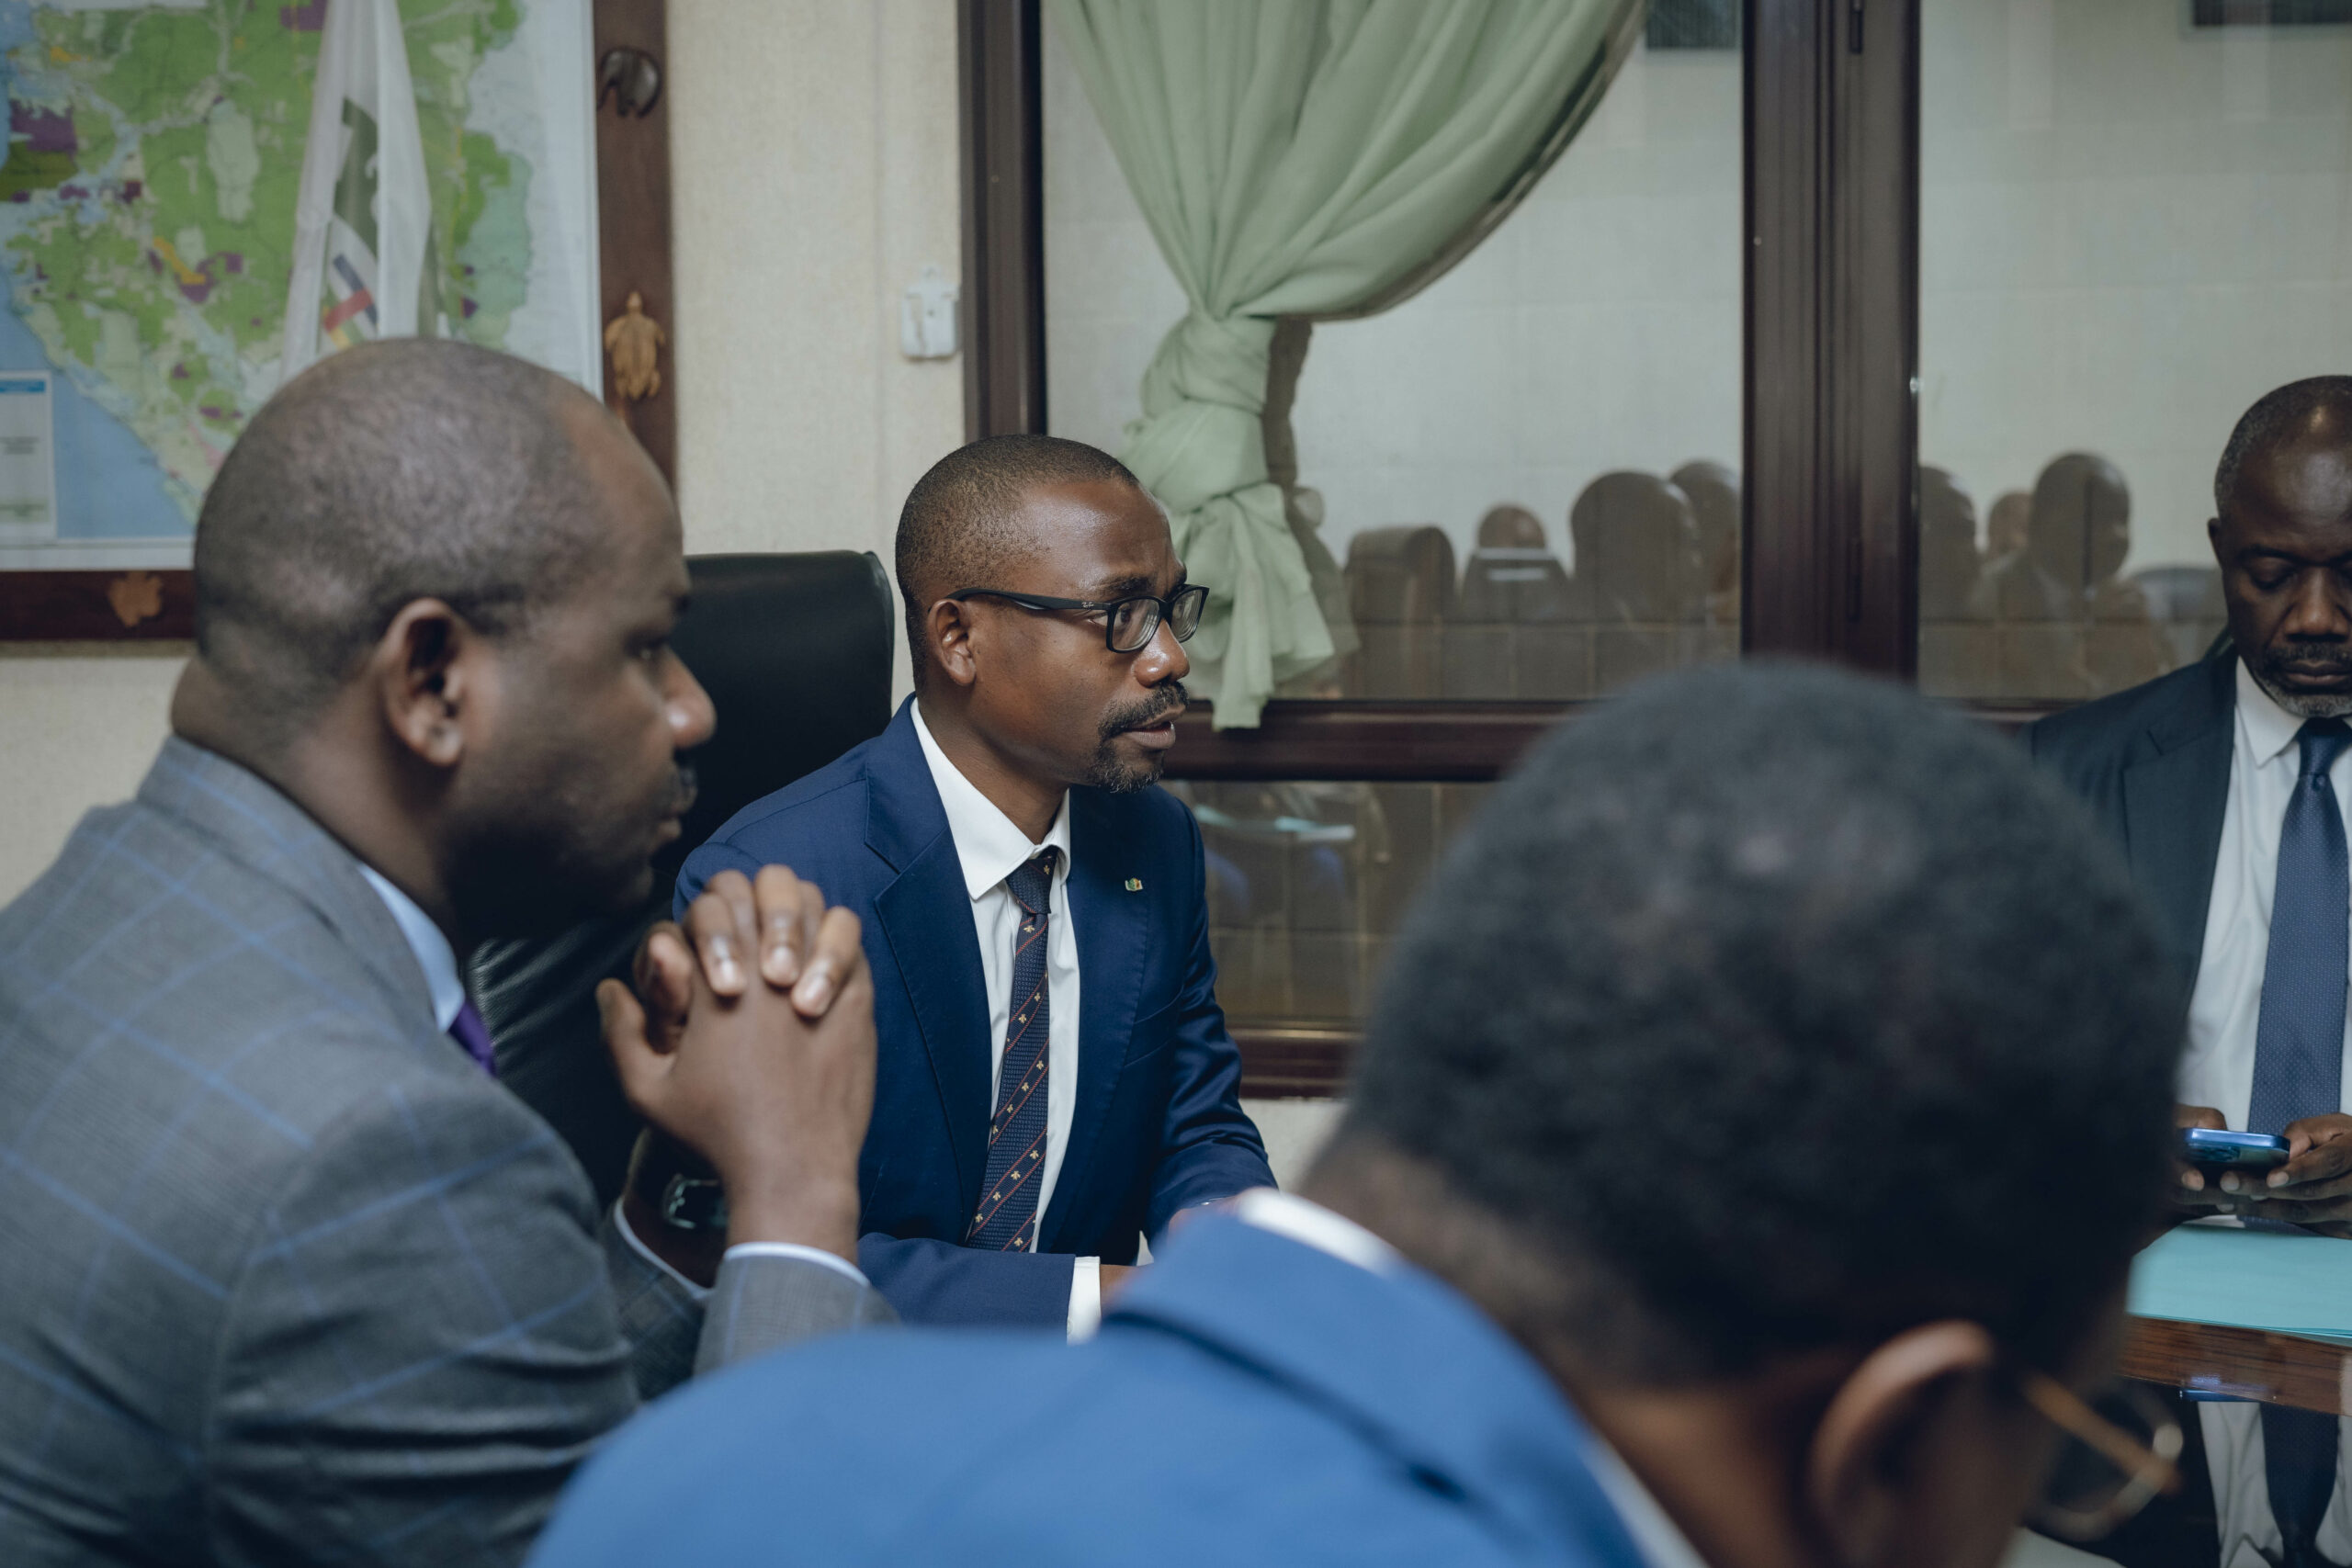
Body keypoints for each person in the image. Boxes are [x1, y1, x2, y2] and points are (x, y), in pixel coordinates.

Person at [533, 662, 2187, 1568]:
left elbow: (1192, 1096)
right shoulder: (800, 861)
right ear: (1894, 1450)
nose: (1163, 657)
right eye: (2076, 1454)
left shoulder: (702, 1475)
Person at [0, 340, 890, 1568]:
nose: (693, 708)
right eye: (644, 646)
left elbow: (456, 1428)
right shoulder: (377, 1150)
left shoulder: (99, 906)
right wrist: (794, 1192)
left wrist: (687, 1194)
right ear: (430, 682)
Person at [667, 434, 1273, 1330]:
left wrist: (1228, 1234)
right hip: (857, 1389)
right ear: (958, 638)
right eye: (1121, 614)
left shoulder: (1155, 843)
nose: (1169, 658)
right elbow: (759, 1247)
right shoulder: (773, 885)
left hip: (1085, 1390)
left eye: (1170, 609)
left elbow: (1196, 1123)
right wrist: (1104, 1296)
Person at [2029, 377, 2352, 1568]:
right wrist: (2108, 1141)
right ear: (2221, 553)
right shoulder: (2075, 775)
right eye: (2271, 573)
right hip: (2142, 1373)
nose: (2314, 616)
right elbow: (1967, 1077)